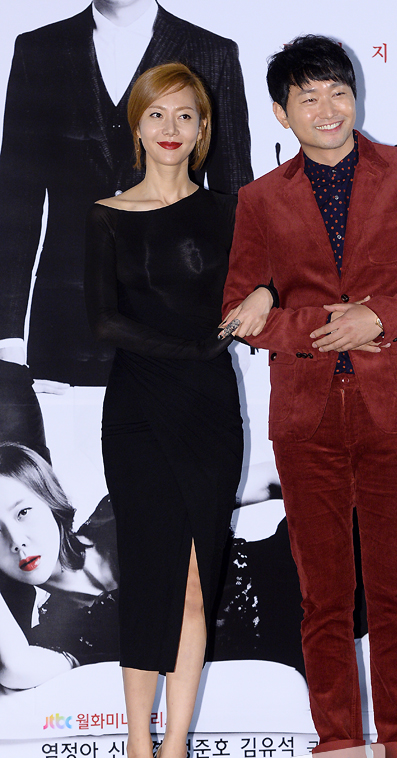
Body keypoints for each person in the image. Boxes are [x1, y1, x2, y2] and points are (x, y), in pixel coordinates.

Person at [222, 35, 397, 758]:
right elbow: (239, 311)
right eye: (308, 96)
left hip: (396, 408)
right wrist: (314, 326)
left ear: (354, 95)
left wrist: (381, 315)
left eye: (338, 90)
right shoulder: (259, 200)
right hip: (306, 420)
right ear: (282, 112)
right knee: (323, 599)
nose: (328, 108)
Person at [84, 62, 272, 758]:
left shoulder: (232, 210)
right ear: (137, 125)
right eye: (156, 114)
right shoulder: (105, 213)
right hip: (137, 410)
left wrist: (267, 292)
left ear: (203, 129)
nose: (171, 128)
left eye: (185, 115)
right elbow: (103, 322)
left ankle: (174, 752)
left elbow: (281, 274)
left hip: (209, 412)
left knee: (197, 582)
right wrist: (197, 347)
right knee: (149, 578)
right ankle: (137, 749)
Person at [0, 0, 252, 457]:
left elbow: (236, 198)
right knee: (72, 480)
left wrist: (242, 310)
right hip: (66, 323)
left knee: (182, 471)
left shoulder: (212, 51)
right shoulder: (38, 48)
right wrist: (7, 334)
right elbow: (15, 202)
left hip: (183, 316)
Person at [0, 443, 118, 692]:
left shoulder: (118, 513)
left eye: (23, 512)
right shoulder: (57, 632)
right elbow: (15, 667)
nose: (17, 541)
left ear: (49, 500)